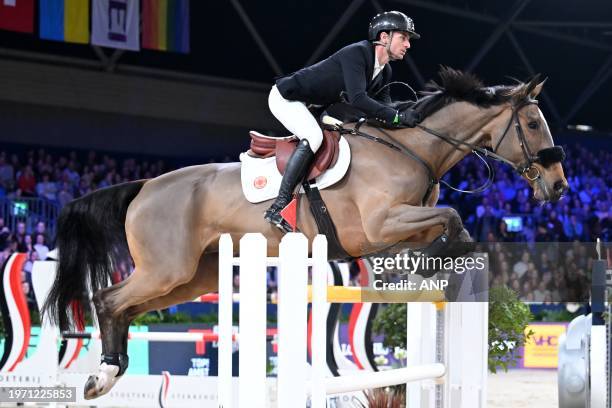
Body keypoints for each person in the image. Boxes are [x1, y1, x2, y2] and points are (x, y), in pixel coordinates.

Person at [264, 10, 423, 231]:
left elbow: (386, 109)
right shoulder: (357, 53)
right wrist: (397, 116)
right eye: (403, 38)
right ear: (384, 37)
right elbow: (358, 98)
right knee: (314, 136)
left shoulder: (385, 71)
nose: (408, 45)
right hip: (286, 97)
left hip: (313, 107)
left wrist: (408, 114)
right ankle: (279, 206)